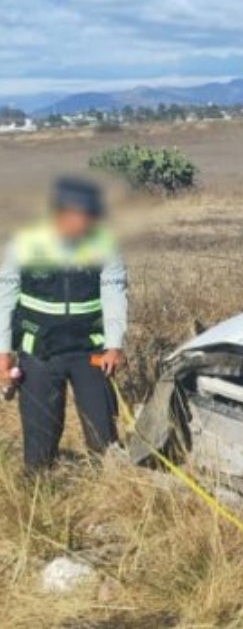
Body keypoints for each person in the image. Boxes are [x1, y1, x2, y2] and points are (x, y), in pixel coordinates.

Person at [0, 177, 128, 471]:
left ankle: (112, 492)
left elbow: (114, 294)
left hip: (91, 353)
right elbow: (4, 298)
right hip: (40, 354)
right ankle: (38, 492)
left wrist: (115, 344)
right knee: (39, 448)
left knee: (104, 441)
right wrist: (3, 351)